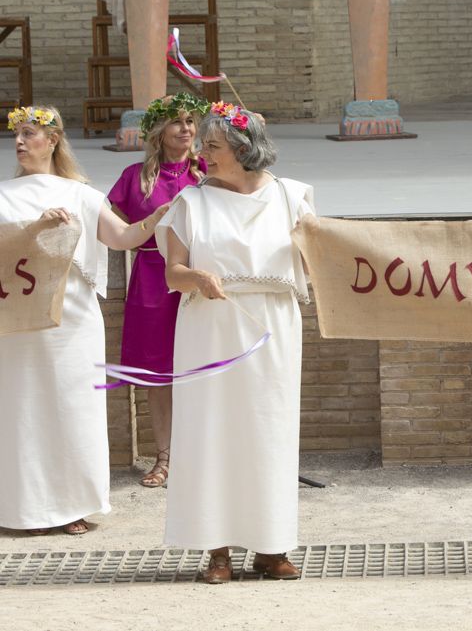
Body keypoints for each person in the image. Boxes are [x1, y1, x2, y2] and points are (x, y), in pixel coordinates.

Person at [157, 101, 313, 584]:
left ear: (245, 149)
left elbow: (317, 259)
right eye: (203, 144)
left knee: (268, 431)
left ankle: (271, 547)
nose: (202, 152)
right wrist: (197, 276)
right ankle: (217, 550)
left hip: (272, 325)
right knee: (212, 432)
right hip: (211, 326)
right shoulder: (191, 202)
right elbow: (172, 273)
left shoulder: (292, 196)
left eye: (213, 145)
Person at [0, 105, 168, 536]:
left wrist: (158, 215)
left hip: (73, 321)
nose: (19, 142)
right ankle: (26, 510)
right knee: (23, 408)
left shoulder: (82, 194)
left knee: (74, 406)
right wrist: (36, 228)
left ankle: (74, 505)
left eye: (29, 134)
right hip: (20, 320)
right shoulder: (2, 195)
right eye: (16, 134)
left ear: (53, 140)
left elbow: (125, 237)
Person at [107, 93, 209, 488]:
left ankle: (200, 455)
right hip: (151, 279)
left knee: (199, 367)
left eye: (189, 122)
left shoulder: (208, 171)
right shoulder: (135, 176)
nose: (185, 129)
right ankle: (164, 458)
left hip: (195, 279)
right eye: (176, 122)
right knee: (157, 375)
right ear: (159, 131)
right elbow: (113, 229)